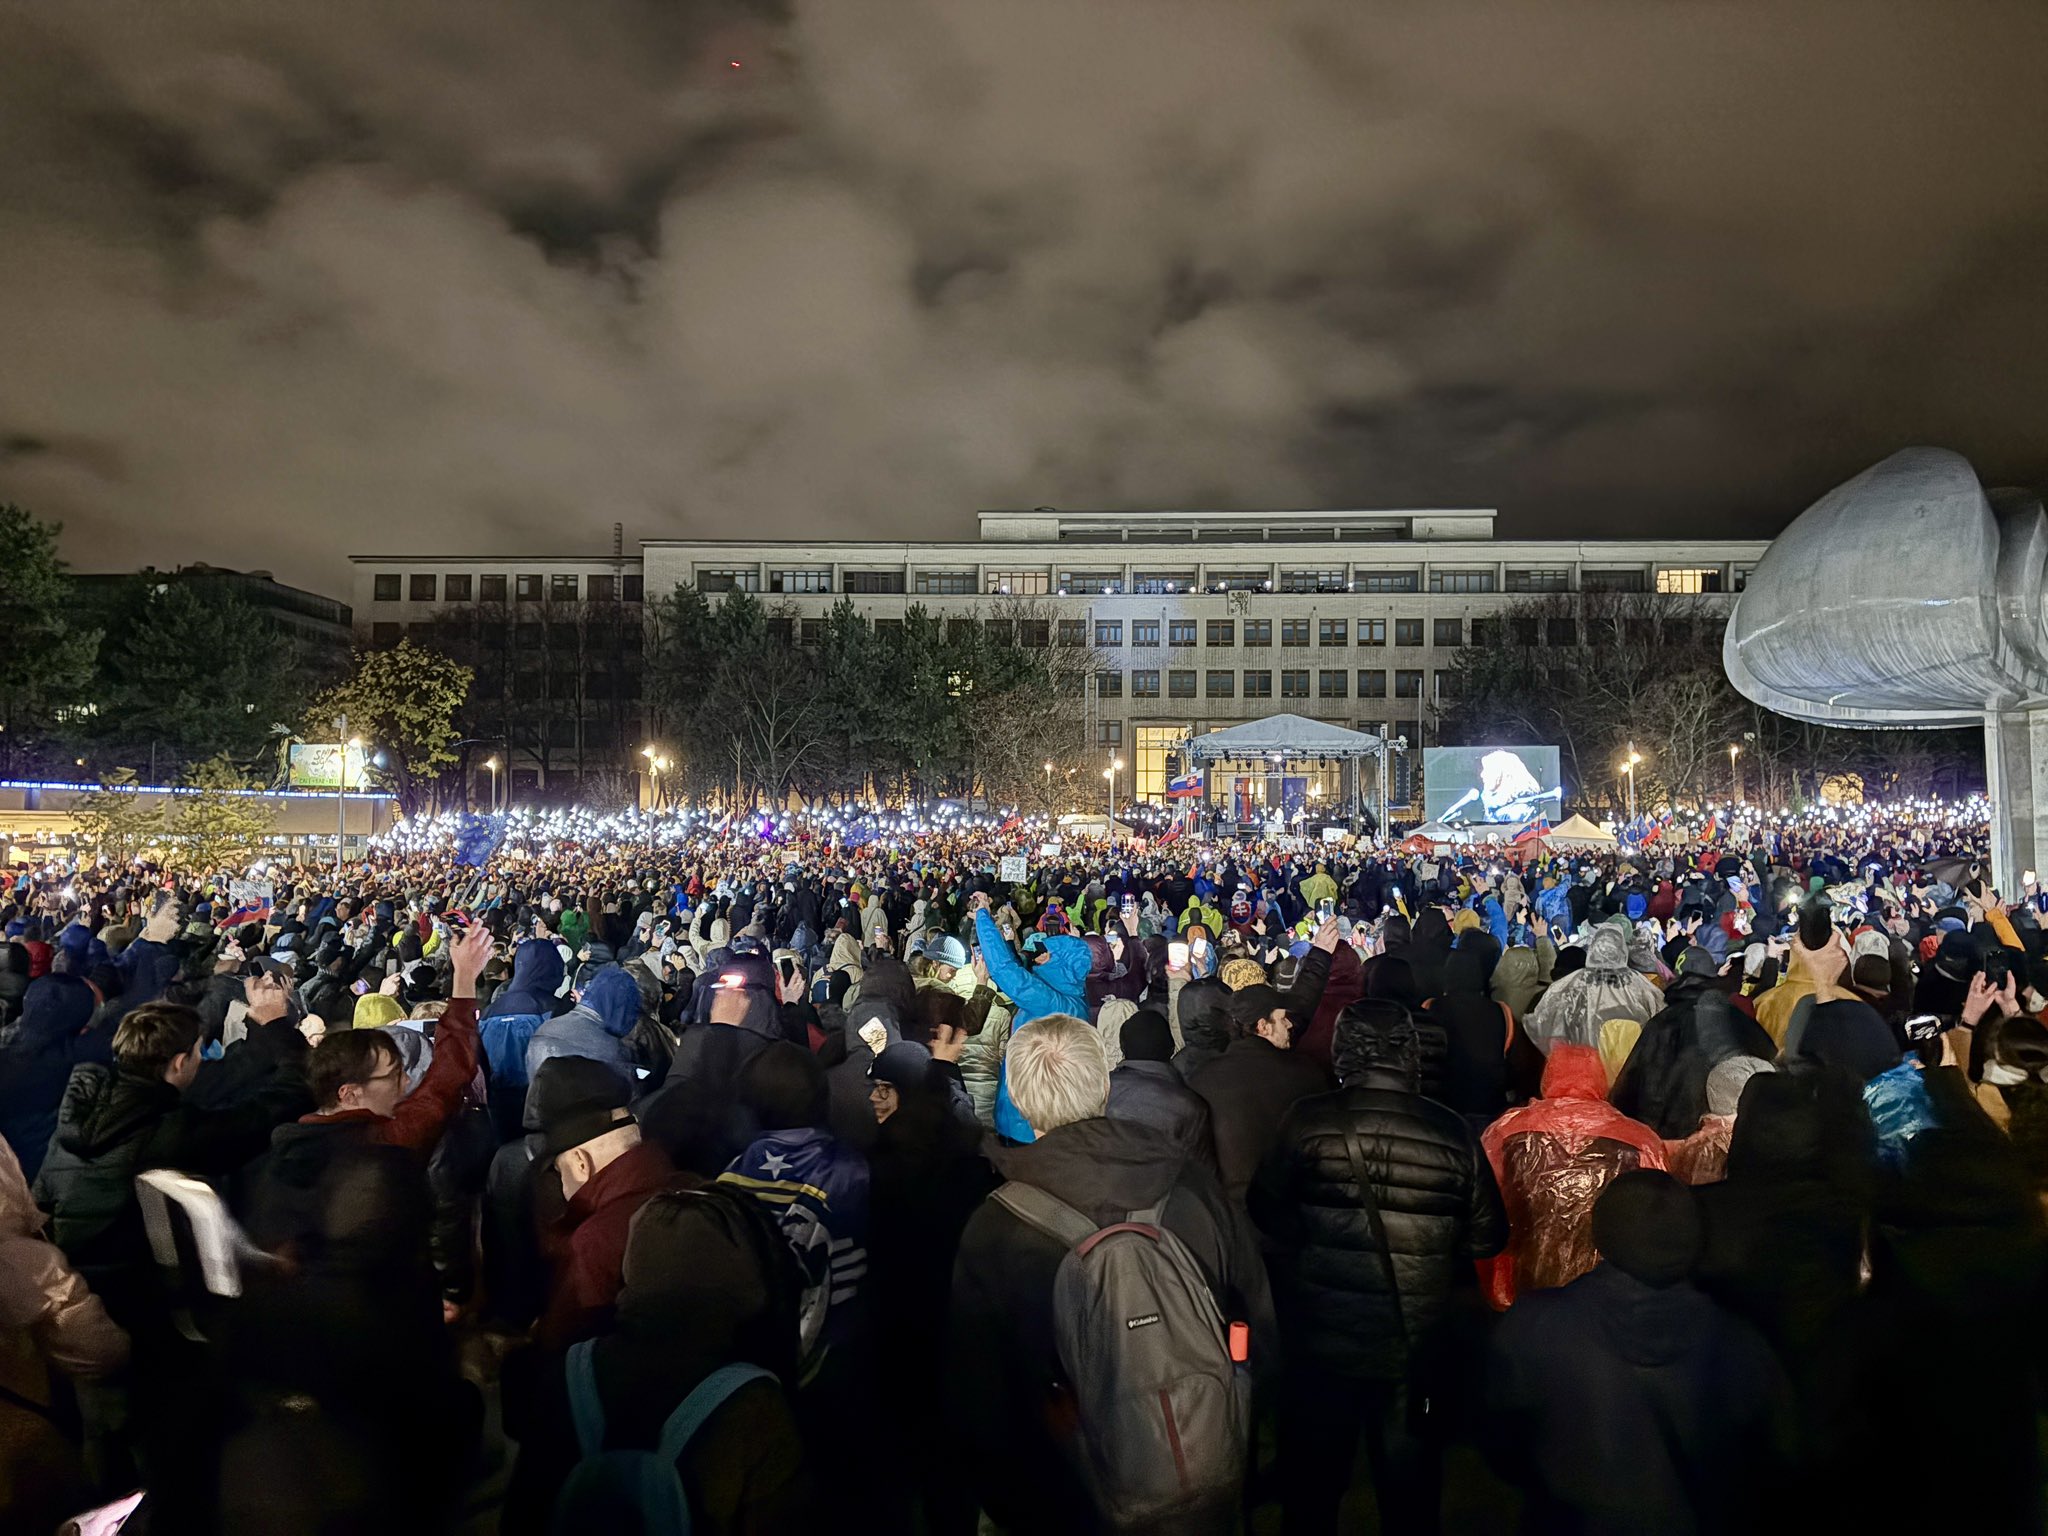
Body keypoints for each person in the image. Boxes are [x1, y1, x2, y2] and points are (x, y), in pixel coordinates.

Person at [948, 1013, 1274, 1534]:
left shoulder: (995, 1225)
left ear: (1019, 1097)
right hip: (1201, 1475)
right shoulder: (1189, 1184)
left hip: (1063, 1496)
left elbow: (982, 1397)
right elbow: (1255, 1314)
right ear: (1104, 1083)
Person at [1250, 1000, 1507, 1536]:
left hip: (1324, 1337)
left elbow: (1267, 1211)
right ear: (1410, 1052)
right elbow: (1488, 1237)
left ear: (1345, 1051)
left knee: (1314, 1491)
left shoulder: (1307, 1119)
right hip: (1414, 1346)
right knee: (1410, 1495)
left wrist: (1314, 1241)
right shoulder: (1453, 1131)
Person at [1486, 1171, 1792, 1533]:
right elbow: (1781, 1459)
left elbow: (1497, 1439)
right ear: (1694, 1238)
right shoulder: (1740, 1340)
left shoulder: (1533, 1324)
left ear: (1602, 1232)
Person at [1478, 1043, 1668, 1307]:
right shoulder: (1640, 1139)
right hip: (1604, 1297)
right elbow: (1655, 1216)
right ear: (1601, 1079)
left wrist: (1498, 1288)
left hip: (1523, 1287)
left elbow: (1487, 1205)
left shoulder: (1506, 1130)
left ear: (1548, 1076)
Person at [527, 1055, 686, 1351]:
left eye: (559, 1172)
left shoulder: (595, 1243)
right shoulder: (694, 1186)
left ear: (579, 1163)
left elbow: (564, 1350)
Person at [1187, 981, 1329, 1207]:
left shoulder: (1202, 1078)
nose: (1289, 1024)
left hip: (1231, 1211)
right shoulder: (1307, 1074)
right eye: (1282, 1018)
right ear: (1263, 1026)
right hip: (1295, 1208)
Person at [1105, 1008, 1216, 1170]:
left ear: (1123, 1048)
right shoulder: (1191, 1106)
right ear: (1172, 1049)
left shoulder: (1100, 1091)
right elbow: (1203, 1174)